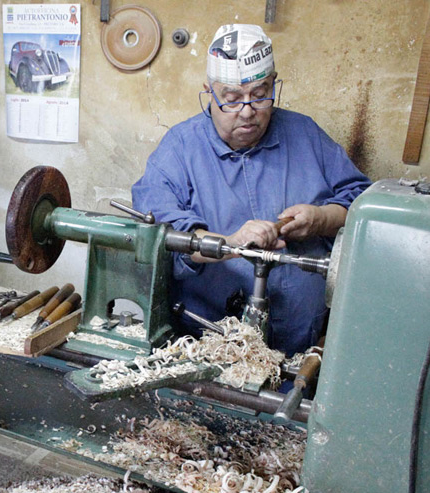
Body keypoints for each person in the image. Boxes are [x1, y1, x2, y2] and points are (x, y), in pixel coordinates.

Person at [132, 24, 370, 355]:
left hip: (302, 340)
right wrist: (229, 244)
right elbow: (160, 233)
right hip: (207, 342)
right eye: (231, 99)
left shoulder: (305, 134)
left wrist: (321, 218)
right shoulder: (180, 149)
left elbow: (362, 204)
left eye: (260, 94)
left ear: (274, 83)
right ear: (209, 92)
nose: (247, 111)